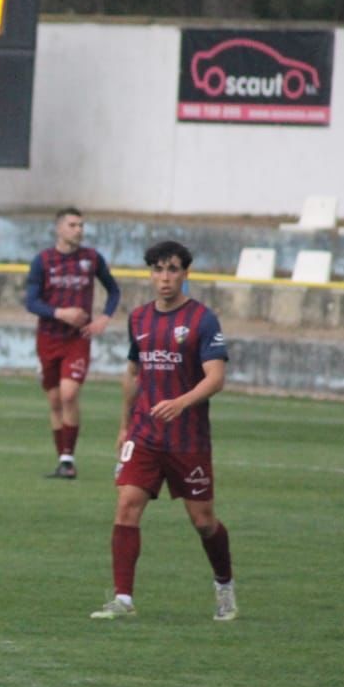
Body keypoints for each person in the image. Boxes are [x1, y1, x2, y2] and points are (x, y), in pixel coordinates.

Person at [91, 240, 235, 621]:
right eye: (158, 269)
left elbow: (216, 378)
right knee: (126, 508)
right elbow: (134, 374)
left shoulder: (203, 320)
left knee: (203, 522)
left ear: (186, 273)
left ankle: (224, 585)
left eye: (172, 269)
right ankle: (123, 599)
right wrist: (124, 424)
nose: (165, 277)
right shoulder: (138, 319)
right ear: (150, 274)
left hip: (188, 439)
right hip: (144, 434)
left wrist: (181, 402)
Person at [25, 207, 121, 479]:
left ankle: (68, 459)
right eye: (73, 225)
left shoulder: (91, 259)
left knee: (69, 394)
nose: (78, 230)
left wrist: (104, 317)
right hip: (48, 339)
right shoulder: (42, 261)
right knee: (55, 400)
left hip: (77, 340)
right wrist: (61, 313)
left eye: (81, 225)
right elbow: (31, 302)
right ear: (59, 228)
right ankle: (63, 459)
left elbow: (113, 290)